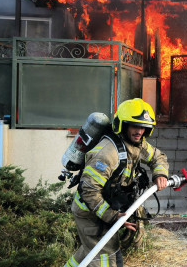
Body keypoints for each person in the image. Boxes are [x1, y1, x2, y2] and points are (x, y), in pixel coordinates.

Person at [64, 98, 170, 267]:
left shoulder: (137, 144)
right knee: (105, 258)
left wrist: (160, 174)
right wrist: (112, 216)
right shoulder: (107, 153)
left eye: (143, 127)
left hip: (107, 206)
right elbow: (89, 191)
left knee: (90, 251)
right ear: (123, 125)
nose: (139, 131)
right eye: (135, 126)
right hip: (90, 213)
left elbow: (158, 157)